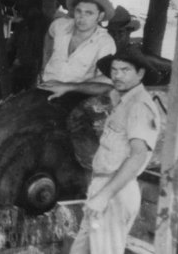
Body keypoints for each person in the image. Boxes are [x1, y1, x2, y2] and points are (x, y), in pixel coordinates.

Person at [69, 47, 161, 254]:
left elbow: (138, 156)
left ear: (141, 73)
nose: (118, 75)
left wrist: (104, 196)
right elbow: (105, 89)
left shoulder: (139, 106)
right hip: (103, 185)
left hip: (115, 189)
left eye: (125, 70)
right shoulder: (122, 100)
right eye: (114, 70)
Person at [39, 0, 117, 99]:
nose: (81, 18)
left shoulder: (105, 43)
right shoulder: (59, 25)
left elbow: (106, 83)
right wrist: (44, 63)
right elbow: (49, 36)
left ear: (100, 16)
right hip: (46, 88)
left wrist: (68, 87)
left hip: (78, 97)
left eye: (89, 13)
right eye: (78, 11)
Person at [6, 0, 50, 93]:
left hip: (40, 73)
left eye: (25, 8)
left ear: (36, 7)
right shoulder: (22, 26)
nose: (21, 12)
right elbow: (11, 51)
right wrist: (1, 72)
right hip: (22, 70)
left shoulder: (49, 26)